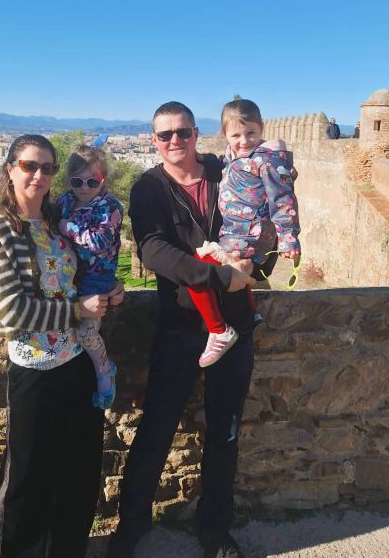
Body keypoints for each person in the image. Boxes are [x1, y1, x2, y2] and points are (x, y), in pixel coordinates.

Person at [107, 102, 256, 558]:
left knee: (225, 429)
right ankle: (131, 525)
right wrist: (216, 277)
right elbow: (153, 250)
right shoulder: (149, 188)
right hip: (180, 324)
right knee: (157, 426)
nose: (174, 141)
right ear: (154, 140)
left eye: (183, 133)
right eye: (164, 135)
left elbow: (260, 209)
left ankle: (214, 530)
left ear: (197, 134)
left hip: (236, 320)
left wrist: (260, 254)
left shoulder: (224, 169)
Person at [0, 134, 123, 558]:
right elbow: (10, 312)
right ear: (11, 169)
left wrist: (112, 289)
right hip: (34, 370)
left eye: (48, 168)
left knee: (79, 474)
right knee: (25, 479)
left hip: (76, 361)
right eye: (29, 166)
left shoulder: (59, 218)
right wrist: (78, 310)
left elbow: (86, 272)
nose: (39, 175)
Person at [187, 99, 301, 368]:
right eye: (236, 135)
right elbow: (224, 162)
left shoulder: (266, 161)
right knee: (233, 272)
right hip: (235, 234)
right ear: (225, 135)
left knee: (197, 270)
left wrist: (289, 238)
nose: (244, 140)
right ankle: (249, 314)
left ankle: (218, 330)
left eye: (251, 133)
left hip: (250, 236)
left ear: (261, 130)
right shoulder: (234, 157)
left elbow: (283, 200)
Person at [57, 144, 124, 409]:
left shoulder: (109, 207)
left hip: (98, 277)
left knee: (85, 332)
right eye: (77, 181)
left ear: (103, 180)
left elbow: (100, 241)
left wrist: (69, 228)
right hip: (69, 274)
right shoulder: (66, 200)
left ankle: (104, 368)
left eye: (92, 181)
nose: (84, 187)